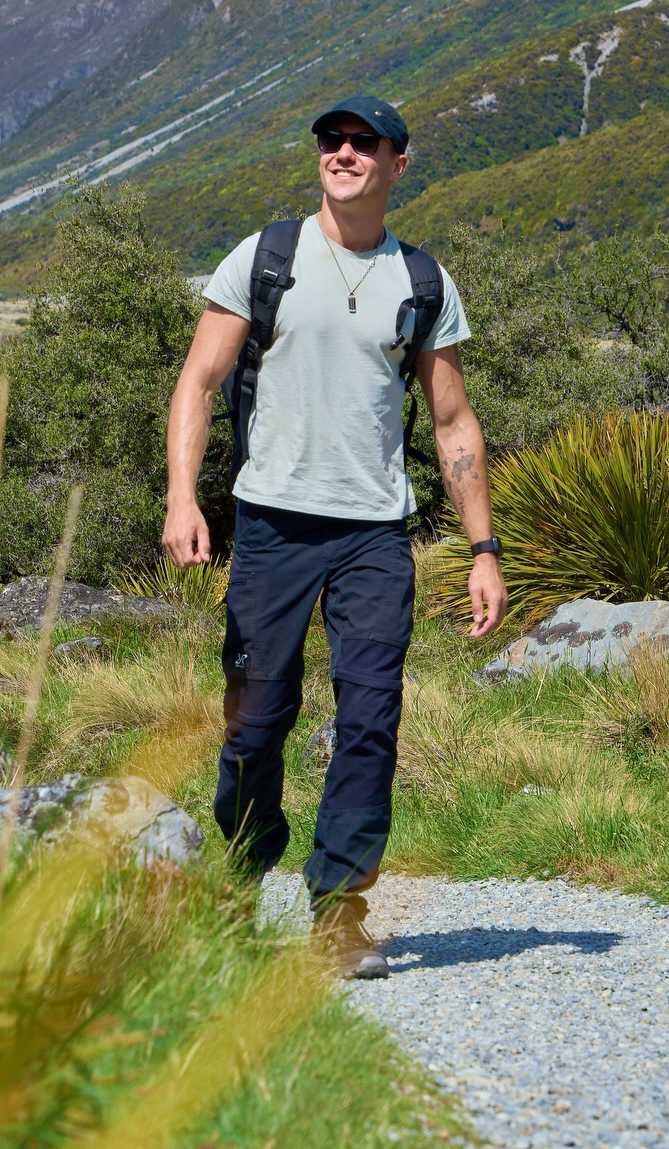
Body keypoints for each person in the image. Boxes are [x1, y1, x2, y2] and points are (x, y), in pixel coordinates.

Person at [162, 95, 507, 978]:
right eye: (332, 140)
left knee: (369, 719)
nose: (344, 153)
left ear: (399, 163)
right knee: (256, 724)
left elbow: (454, 420)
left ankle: (339, 911)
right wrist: (183, 498)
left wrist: (483, 551)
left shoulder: (423, 281)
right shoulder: (266, 257)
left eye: (364, 143)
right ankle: (238, 881)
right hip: (272, 524)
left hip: (373, 538)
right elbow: (198, 383)